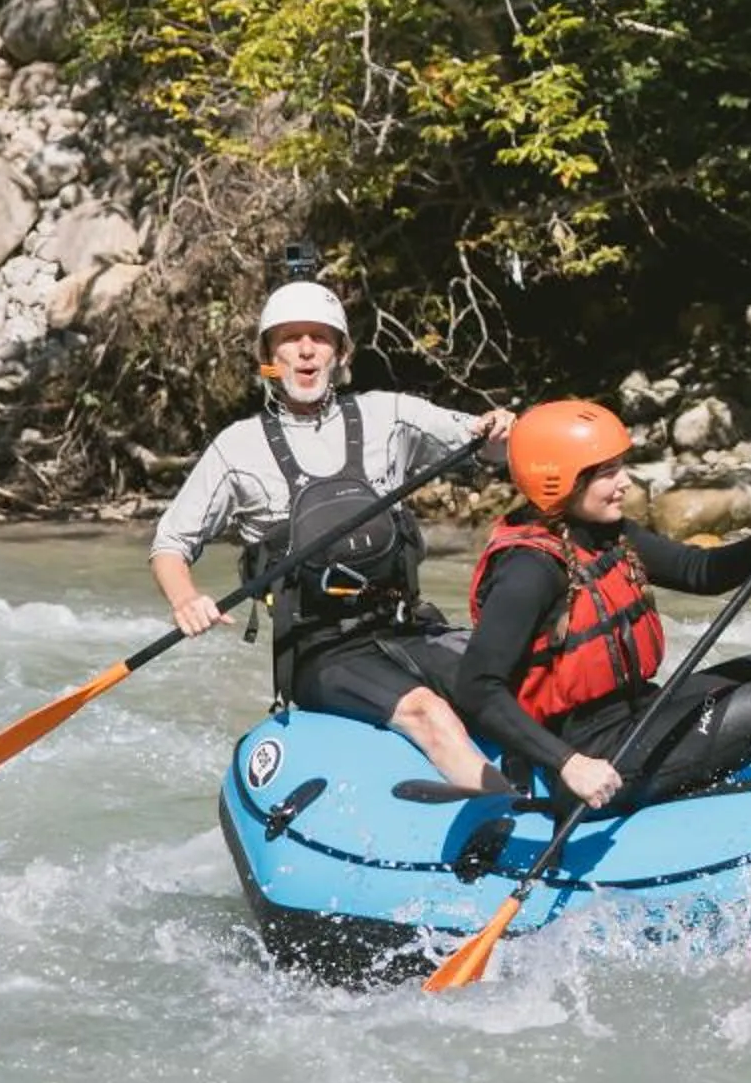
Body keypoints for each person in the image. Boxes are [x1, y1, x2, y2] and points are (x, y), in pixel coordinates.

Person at [149, 276, 512, 792]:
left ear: (341, 353)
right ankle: (505, 817)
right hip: (320, 650)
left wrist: (499, 429)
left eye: (319, 337)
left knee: (508, 675)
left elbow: (485, 444)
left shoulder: (391, 415)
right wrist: (185, 598)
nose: (304, 350)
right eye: (289, 338)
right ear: (268, 356)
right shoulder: (238, 448)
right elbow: (170, 545)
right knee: (427, 711)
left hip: (404, 624)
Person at [453, 400, 751, 808]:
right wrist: (570, 764)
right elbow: (476, 690)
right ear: (560, 481)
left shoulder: (606, 533)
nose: (625, 482)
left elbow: (699, 571)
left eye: (621, 466)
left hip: (637, 714)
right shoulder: (529, 569)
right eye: (608, 473)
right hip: (589, 759)